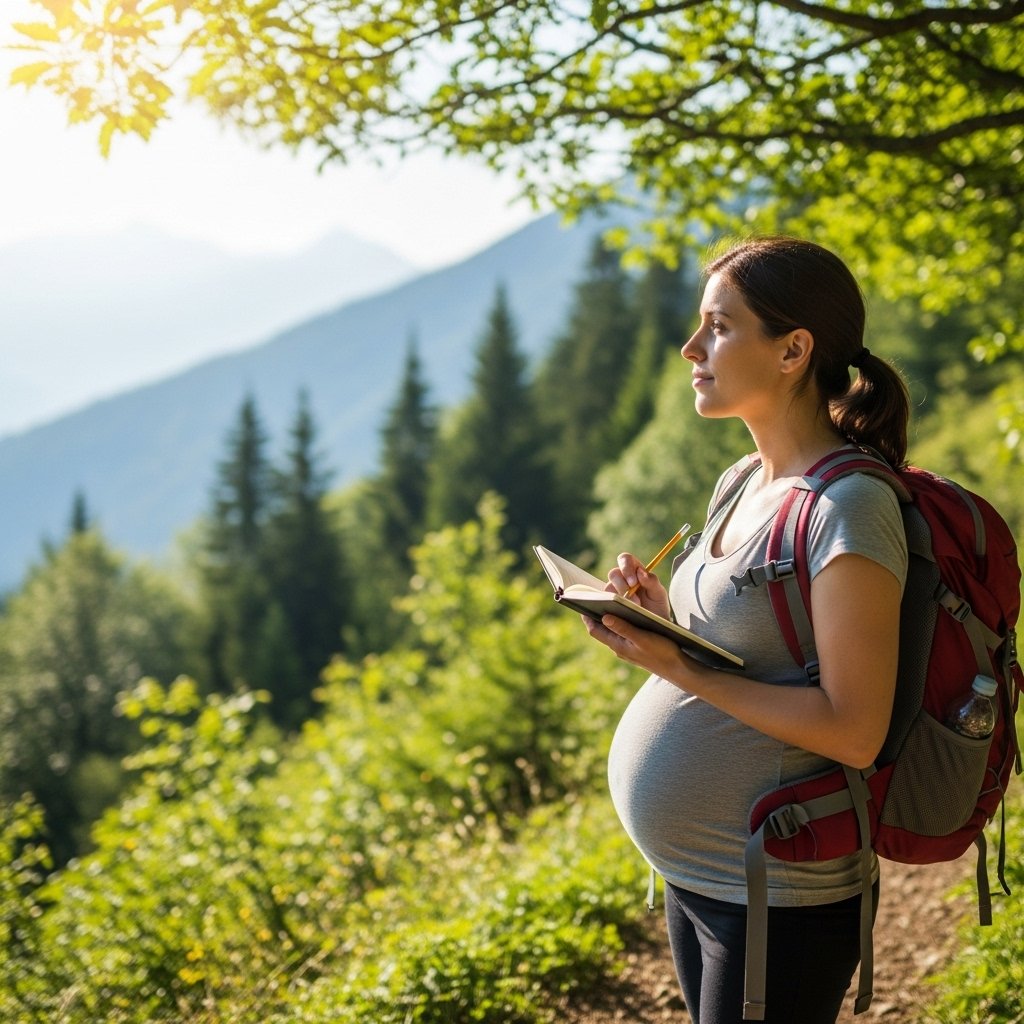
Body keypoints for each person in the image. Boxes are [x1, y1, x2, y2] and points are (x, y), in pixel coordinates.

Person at [584, 236, 911, 1024]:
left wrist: (681, 669)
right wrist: (660, 624)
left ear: (794, 349)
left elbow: (855, 729)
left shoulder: (850, 508)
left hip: (780, 896)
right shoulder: (741, 481)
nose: (692, 348)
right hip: (707, 875)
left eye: (720, 327)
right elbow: (752, 653)